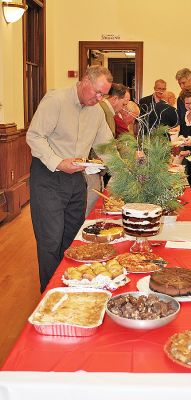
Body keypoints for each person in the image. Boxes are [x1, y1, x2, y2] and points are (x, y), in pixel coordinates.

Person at [27, 65, 113, 292]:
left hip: (76, 179)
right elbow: (34, 136)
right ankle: (50, 294)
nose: (99, 98)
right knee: (51, 240)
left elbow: (106, 147)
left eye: (103, 94)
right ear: (85, 80)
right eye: (96, 92)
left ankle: (70, 286)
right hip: (48, 177)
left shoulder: (97, 111)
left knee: (72, 237)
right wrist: (57, 162)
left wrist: (127, 173)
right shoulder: (56, 100)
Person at [99, 83, 130, 187]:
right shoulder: (105, 111)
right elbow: (106, 143)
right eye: (123, 104)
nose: (123, 108)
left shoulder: (106, 110)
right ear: (115, 99)